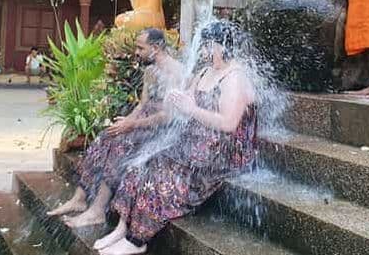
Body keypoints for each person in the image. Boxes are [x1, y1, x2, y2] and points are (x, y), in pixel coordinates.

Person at [92, 21, 256, 255]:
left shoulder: (234, 78)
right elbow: (188, 98)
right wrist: (175, 99)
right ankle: (122, 227)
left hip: (222, 152)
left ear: (222, 48)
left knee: (160, 167)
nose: (203, 52)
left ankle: (138, 239)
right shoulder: (207, 71)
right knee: (143, 160)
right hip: (199, 141)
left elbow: (229, 124)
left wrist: (191, 110)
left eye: (208, 47)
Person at [46, 28, 183, 228]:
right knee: (105, 137)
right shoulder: (150, 70)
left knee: (120, 145)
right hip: (142, 123)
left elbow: (168, 116)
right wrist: (125, 122)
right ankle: (79, 198)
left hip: (163, 131)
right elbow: (142, 105)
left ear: (156, 47)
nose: (136, 52)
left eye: (140, 48)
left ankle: (97, 210)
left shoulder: (176, 72)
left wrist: (132, 125)